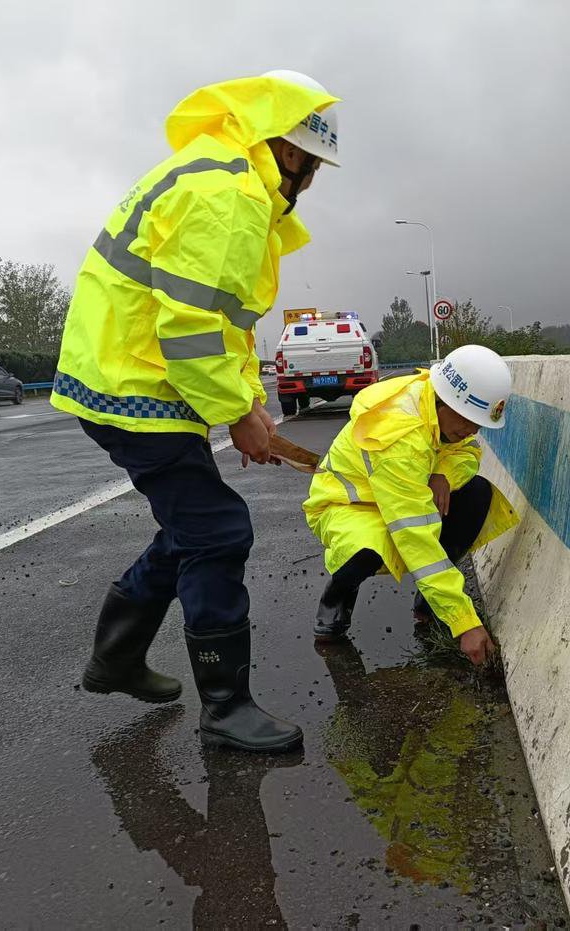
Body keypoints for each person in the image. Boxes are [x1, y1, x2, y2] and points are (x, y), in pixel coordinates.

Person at [50, 70, 342, 752]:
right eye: (314, 165)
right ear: (289, 153)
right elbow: (188, 329)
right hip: (137, 384)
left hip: (138, 379)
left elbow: (225, 323)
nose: (314, 182)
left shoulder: (226, 178)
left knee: (193, 527)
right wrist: (234, 411)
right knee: (218, 530)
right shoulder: (228, 195)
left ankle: (116, 658)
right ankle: (225, 708)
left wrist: (248, 405)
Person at [303, 345, 520, 665]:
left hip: (402, 495)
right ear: (445, 402)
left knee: (476, 495)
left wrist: (441, 473)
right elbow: (417, 537)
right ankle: (337, 598)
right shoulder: (399, 434)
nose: (474, 430)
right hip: (349, 505)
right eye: (470, 420)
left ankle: (429, 606)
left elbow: (467, 453)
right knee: (368, 549)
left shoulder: (440, 408)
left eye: (479, 423)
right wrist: (464, 622)